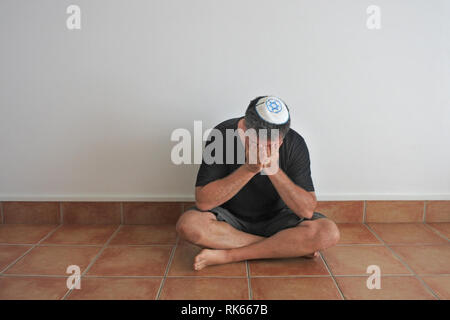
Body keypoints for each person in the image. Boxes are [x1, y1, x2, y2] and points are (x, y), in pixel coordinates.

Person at [176, 96, 340, 270]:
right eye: (260, 143)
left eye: (273, 144)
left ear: (282, 140)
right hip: (229, 221)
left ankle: (229, 255)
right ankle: (286, 248)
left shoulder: (295, 143)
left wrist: (273, 169)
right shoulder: (222, 135)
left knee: (328, 233)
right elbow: (203, 201)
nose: (265, 150)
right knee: (189, 225)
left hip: (279, 220)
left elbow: (306, 210)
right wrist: (249, 169)